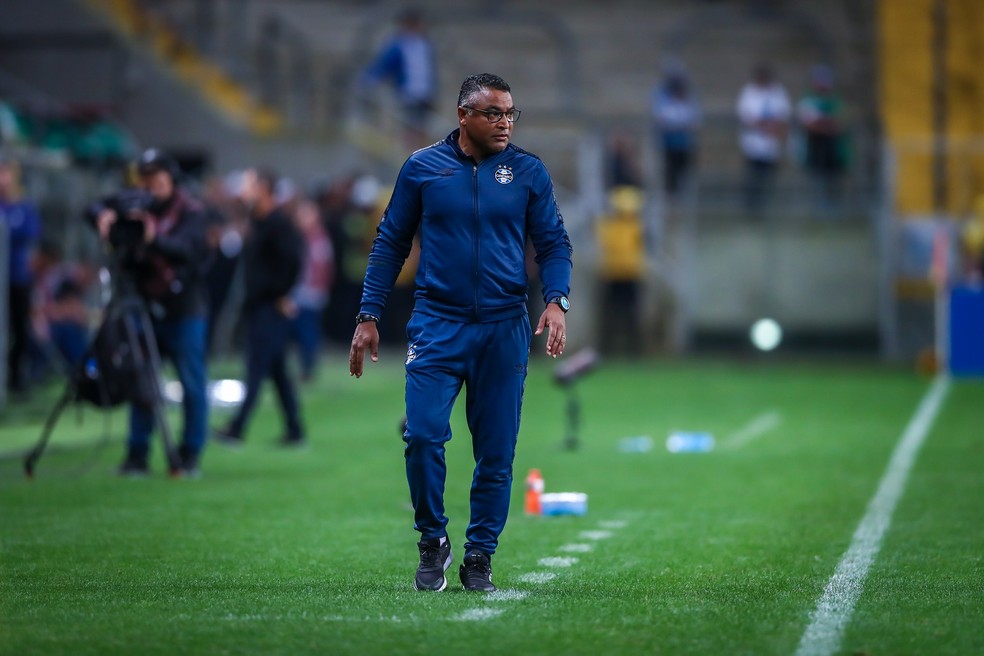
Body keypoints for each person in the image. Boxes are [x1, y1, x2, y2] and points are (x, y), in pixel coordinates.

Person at [349, 73, 573, 593]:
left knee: (496, 453)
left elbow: (554, 243)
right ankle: (432, 540)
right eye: (494, 113)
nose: (505, 123)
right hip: (437, 324)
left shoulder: (528, 171)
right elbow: (390, 242)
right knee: (423, 435)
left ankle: (479, 555)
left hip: (503, 327)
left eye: (510, 113)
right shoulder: (422, 168)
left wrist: (557, 300)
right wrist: (368, 315)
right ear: (463, 115)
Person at [95, 149, 210, 477]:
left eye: (157, 178)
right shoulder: (132, 205)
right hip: (143, 304)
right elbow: (92, 208)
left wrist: (152, 238)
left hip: (184, 308)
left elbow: (188, 251)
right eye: (145, 179)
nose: (150, 186)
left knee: (191, 381)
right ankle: (137, 453)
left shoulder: (191, 210)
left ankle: (189, 454)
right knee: (141, 380)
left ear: (171, 179)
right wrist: (104, 216)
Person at [214, 168, 305, 447]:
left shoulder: (279, 223)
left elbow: (293, 262)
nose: (244, 191)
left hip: (269, 306)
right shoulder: (258, 221)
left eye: (249, 186)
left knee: (256, 367)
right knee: (277, 370)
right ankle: (295, 430)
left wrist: (281, 294)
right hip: (258, 304)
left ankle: (237, 427)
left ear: (264, 189)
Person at [359, 7, 438, 150]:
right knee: (409, 124)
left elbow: (429, 70)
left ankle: (423, 152)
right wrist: (369, 80)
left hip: (425, 93)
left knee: (423, 125)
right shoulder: (398, 45)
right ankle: (410, 152)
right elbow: (384, 65)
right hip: (408, 93)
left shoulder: (424, 44)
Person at [0, 156, 41, 393]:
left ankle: (16, 378)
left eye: (5, 173)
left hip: (17, 277)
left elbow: (30, 233)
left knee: (19, 329)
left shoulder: (23, 206)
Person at [289, 198, 335, 382]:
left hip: (310, 294)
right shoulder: (299, 238)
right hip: (298, 292)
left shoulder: (318, 240)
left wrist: (319, 290)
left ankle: (308, 368)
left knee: (308, 333)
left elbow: (323, 268)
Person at [736, 64, 791, 215]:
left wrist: (773, 127)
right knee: (753, 177)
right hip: (753, 144)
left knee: (769, 177)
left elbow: (783, 115)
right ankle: (752, 209)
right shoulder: (748, 92)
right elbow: (745, 116)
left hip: (771, 144)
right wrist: (762, 126)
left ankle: (767, 208)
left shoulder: (778, 92)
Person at [797, 64, 848, 215]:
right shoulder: (808, 100)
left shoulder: (836, 100)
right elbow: (809, 124)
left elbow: (841, 122)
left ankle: (834, 209)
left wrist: (823, 124)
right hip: (815, 146)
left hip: (834, 148)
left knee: (834, 178)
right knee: (818, 177)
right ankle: (818, 209)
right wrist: (827, 125)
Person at [652, 68, 700, 198]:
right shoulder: (666, 102)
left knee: (684, 171)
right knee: (670, 172)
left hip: (685, 144)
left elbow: (694, 122)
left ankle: (684, 195)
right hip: (670, 144)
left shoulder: (688, 103)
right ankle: (670, 196)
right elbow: (663, 120)